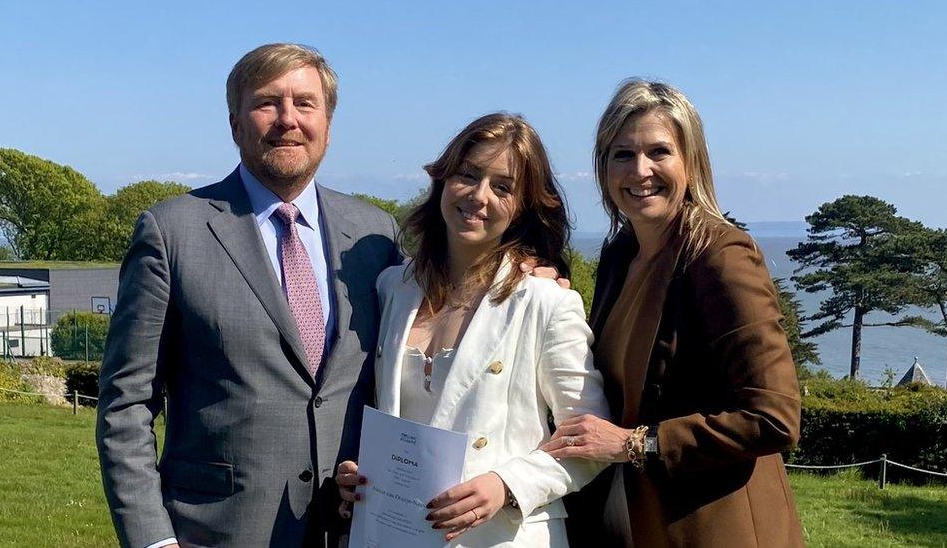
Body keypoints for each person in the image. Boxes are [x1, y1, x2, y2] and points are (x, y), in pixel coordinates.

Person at [95, 44, 404, 547]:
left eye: (305, 104)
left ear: (328, 123)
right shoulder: (172, 232)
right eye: (267, 103)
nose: (288, 120)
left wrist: (526, 273)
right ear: (235, 123)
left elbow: (432, 325)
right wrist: (152, 539)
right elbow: (126, 404)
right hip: (215, 532)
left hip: (353, 529)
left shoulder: (376, 237)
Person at [542, 80, 804, 547]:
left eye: (659, 152)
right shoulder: (621, 254)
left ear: (691, 161)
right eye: (622, 154)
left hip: (715, 529)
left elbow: (773, 416)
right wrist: (546, 300)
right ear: (603, 168)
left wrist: (635, 444)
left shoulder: (722, 256)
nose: (640, 170)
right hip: (632, 522)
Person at [335, 113, 611, 547]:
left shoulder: (545, 302)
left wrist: (506, 484)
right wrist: (362, 472)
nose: (479, 196)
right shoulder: (393, 288)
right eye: (468, 175)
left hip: (502, 537)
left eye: (502, 187)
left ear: (523, 206)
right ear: (443, 180)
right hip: (393, 534)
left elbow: (588, 439)